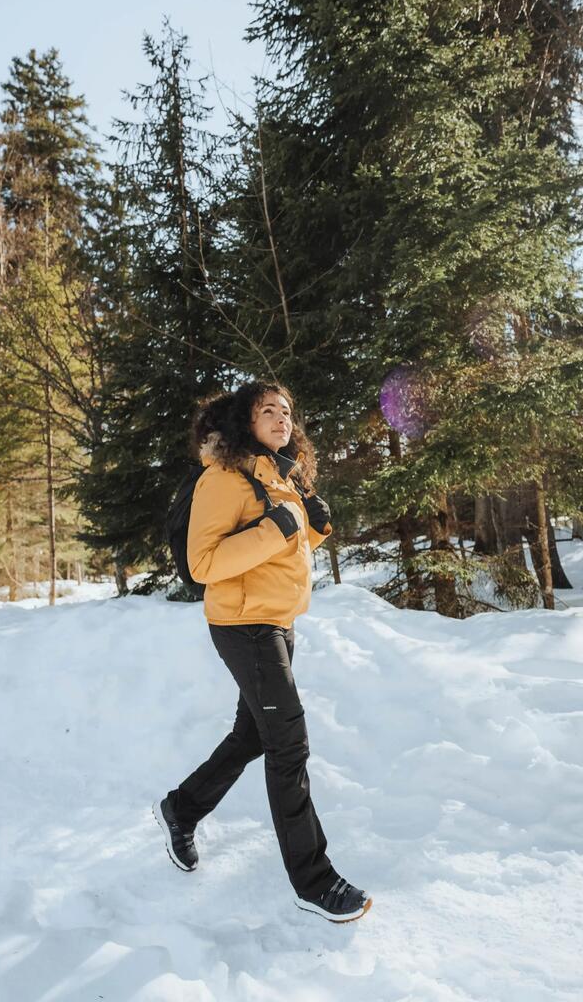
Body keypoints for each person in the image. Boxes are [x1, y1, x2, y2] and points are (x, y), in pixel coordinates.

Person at [153, 381, 372, 924]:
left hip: (275, 620)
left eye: (286, 411)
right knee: (288, 743)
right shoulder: (221, 479)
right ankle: (313, 880)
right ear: (243, 422)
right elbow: (205, 565)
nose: (280, 419)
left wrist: (312, 530)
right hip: (243, 625)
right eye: (267, 410)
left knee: (254, 735)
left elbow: (277, 547)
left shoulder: (278, 473)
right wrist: (279, 528)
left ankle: (181, 809)